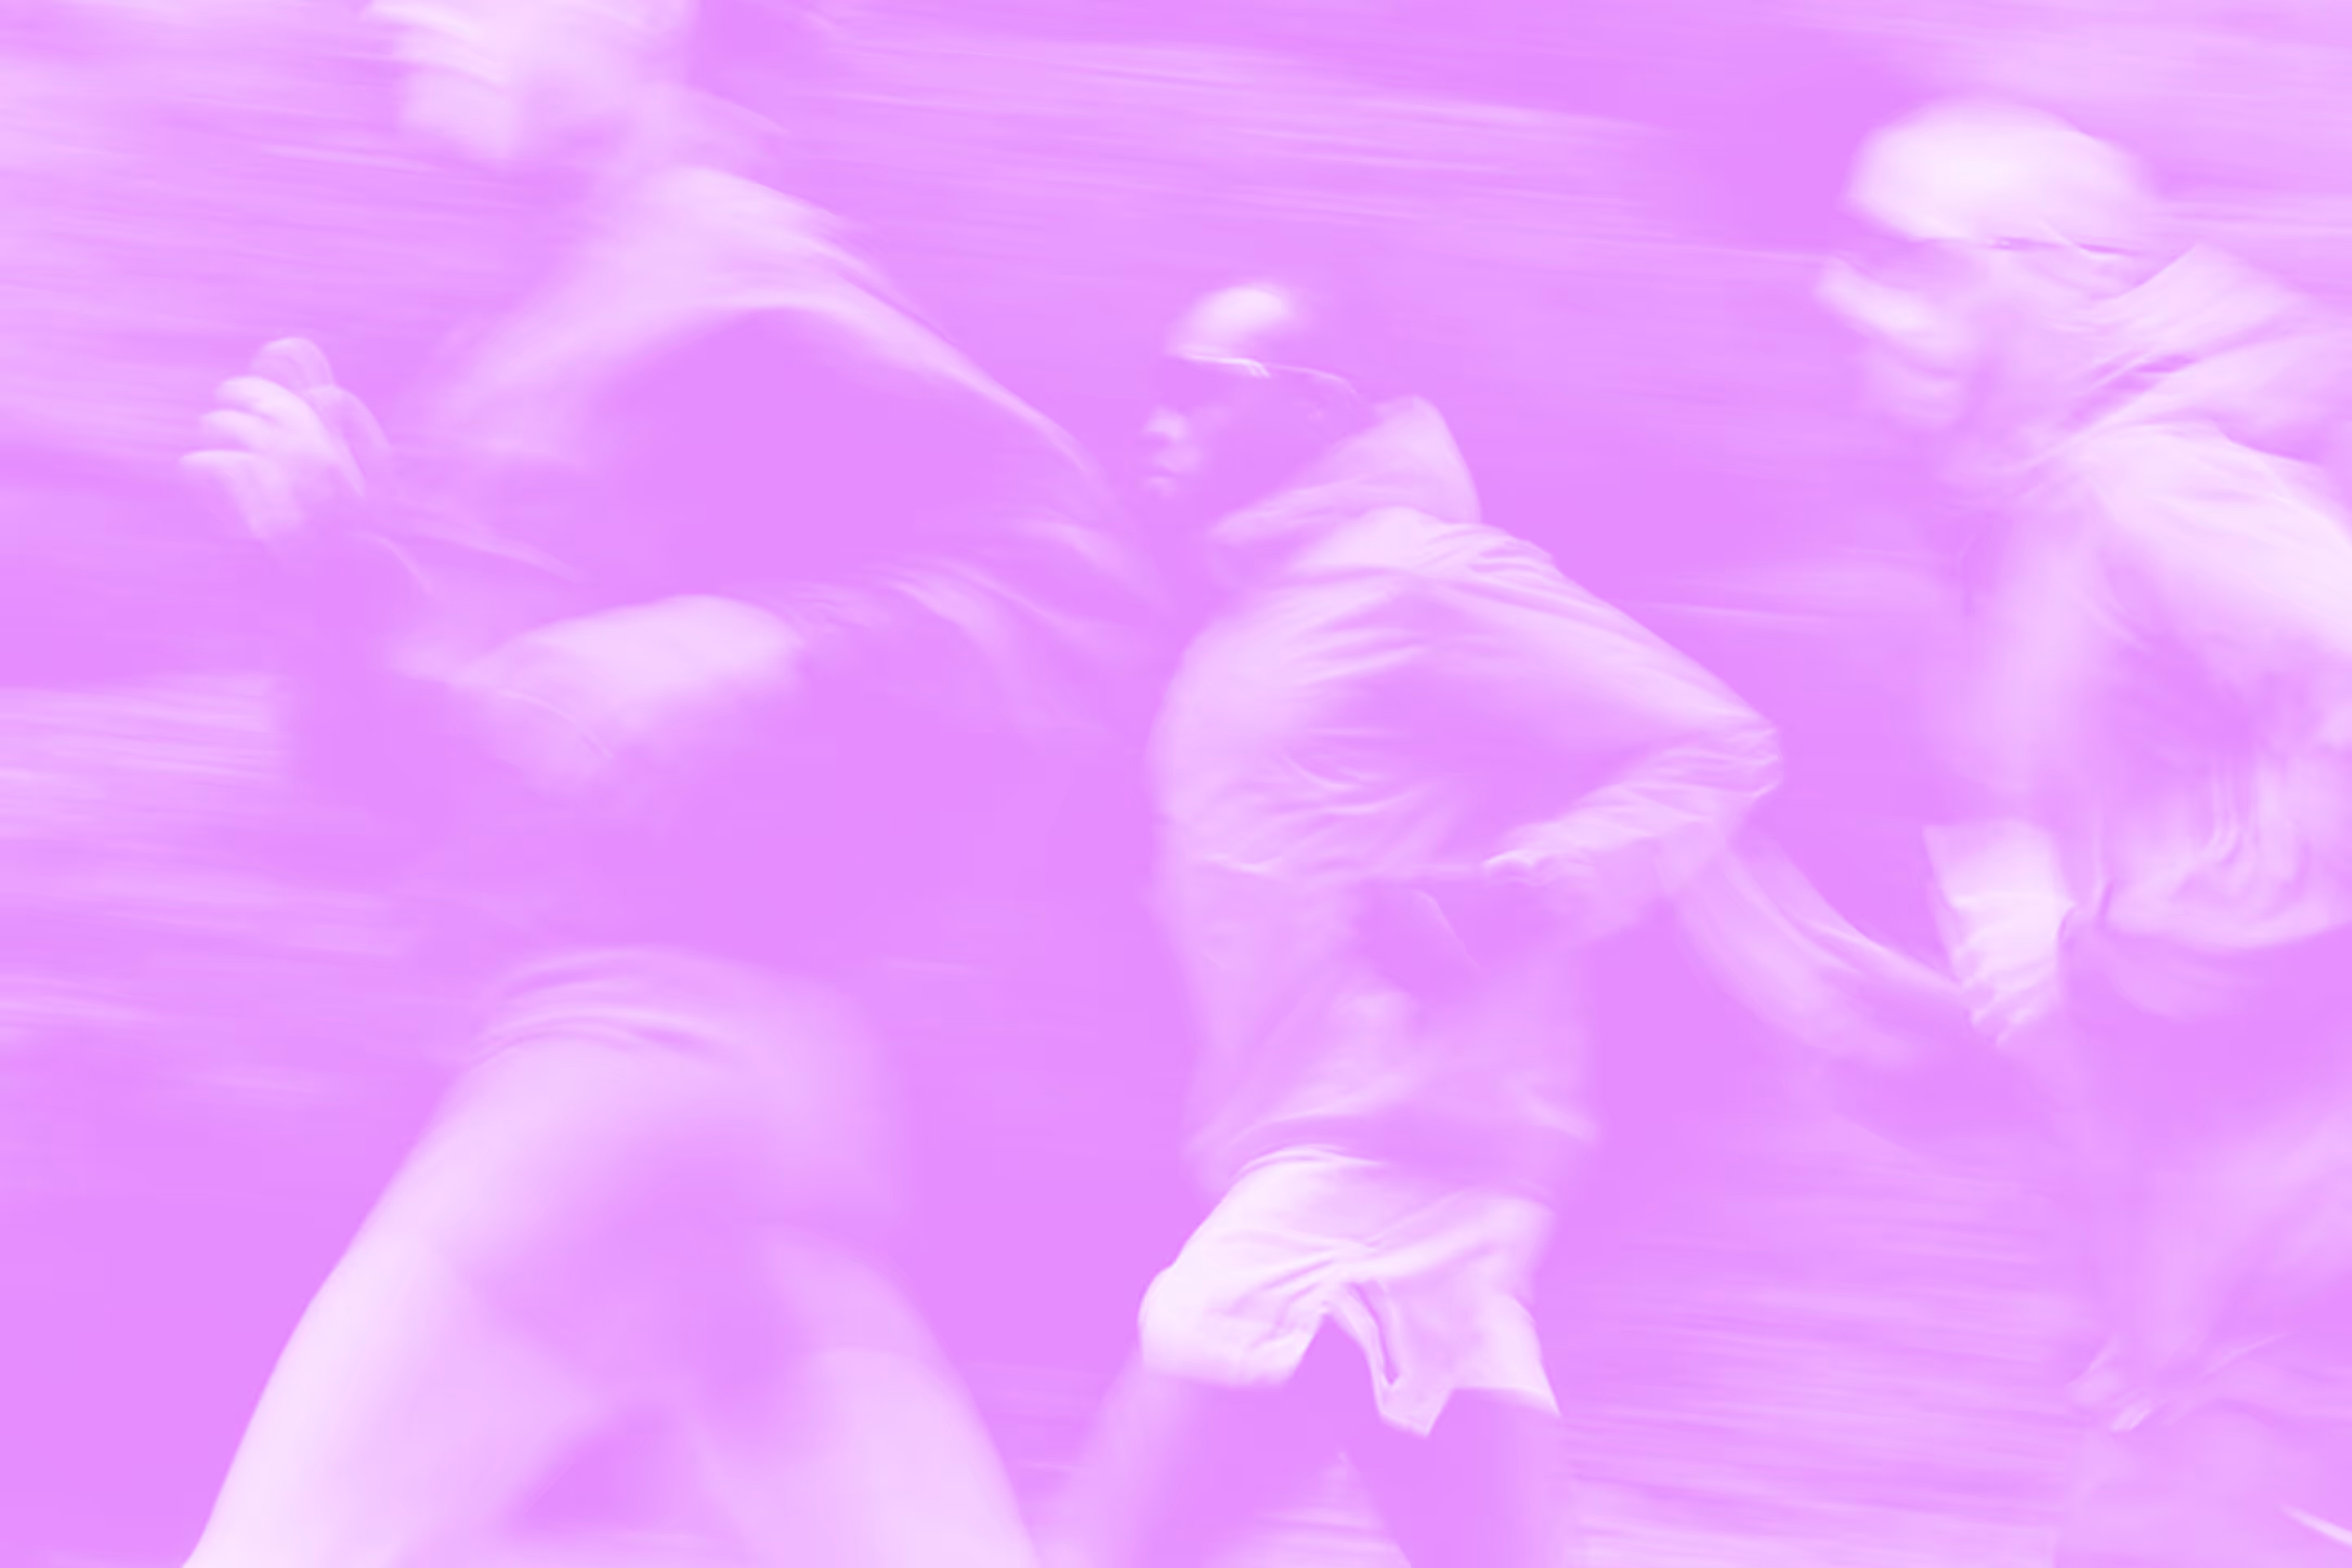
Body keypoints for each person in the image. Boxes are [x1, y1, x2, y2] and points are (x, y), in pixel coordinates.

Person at [175, 2, 1156, 1566]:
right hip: (767, 1118)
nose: (398, 15)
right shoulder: (545, 327)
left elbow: (1072, 587)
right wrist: (330, 577)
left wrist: (763, 643)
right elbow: (438, 792)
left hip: (623, 1084)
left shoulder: (732, 272)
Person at [1046, 282, 1782, 1568]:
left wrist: (1523, 891)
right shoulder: (1251, 624)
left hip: (1370, 1170)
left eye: (1196, 388)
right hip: (1358, 1169)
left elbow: (1711, 744)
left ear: (1312, 407)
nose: (1156, 421)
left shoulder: (1422, 577)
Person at [1813, 98, 2352, 1565]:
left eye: (1904, 258)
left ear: (2064, 276)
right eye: (1845, 258)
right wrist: (1955, 1037)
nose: (1844, 296)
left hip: (2295, 1325)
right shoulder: (2033, 542)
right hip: (2199, 1323)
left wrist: (2098, 957)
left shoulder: (2156, 493)